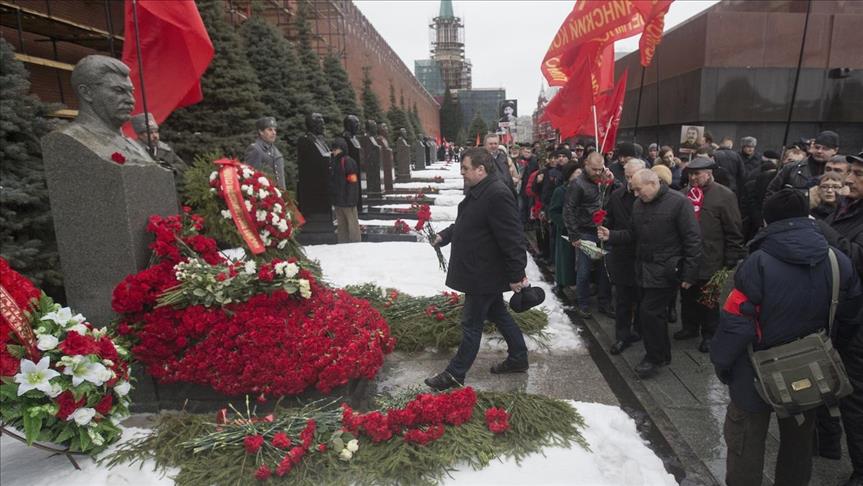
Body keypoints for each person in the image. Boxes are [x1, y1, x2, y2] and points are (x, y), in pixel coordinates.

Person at [710, 189, 862, 486]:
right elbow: (851, 317)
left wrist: (722, 362)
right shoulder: (838, 261)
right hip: (810, 369)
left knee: (745, 442)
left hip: (753, 371)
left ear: (767, 220)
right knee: (799, 444)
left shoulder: (756, 263)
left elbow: (736, 323)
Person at [424, 147, 529, 390]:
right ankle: (518, 357)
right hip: (479, 269)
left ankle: (455, 374)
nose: (462, 172)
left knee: (471, 324)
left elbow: (512, 238)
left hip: (483, 273)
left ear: (481, 169)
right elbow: (467, 223)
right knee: (498, 314)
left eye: (465, 168)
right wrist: (444, 236)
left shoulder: (497, 194)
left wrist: (517, 274)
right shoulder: (481, 190)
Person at [598, 169, 701, 378]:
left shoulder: (679, 203)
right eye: (633, 190)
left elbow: (693, 239)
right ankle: (663, 354)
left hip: (666, 270)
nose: (636, 194)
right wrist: (612, 235)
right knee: (655, 314)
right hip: (642, 269)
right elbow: (632, 234)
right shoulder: (639, 204)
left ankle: (653, 358)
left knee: (649, 313)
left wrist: (690, 274)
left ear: (653, 183)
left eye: (638, 189)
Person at [817, 153, 863, 486]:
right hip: (839, 314)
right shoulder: (846, 207)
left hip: (858, 322)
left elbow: (856, 256)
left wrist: (822, 229)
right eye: (852, 172)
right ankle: (828, 443)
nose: (849, 179)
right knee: (828, 382)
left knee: (855, 400)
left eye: (858, 175)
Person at [677, 157, 745, 353]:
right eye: (690, 174)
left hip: (712, 256)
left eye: (697, 174)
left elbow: (734, 228)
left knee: (708, 299)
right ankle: (690, 327)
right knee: (687, 295)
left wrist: (732, 253)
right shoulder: (684, 194)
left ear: (709, 174)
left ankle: (709, 333)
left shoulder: (724, 195)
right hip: (688, 256)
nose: (693, 177)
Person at [564, 151, 618, 319]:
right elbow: (569, 210)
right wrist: (574, 235)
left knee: (605, 270)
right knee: (584, 270)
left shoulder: (605, 180)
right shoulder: (577, 183)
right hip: (585, 230)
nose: (597, 172)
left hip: (604, 229)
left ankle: (604, 303)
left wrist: (613, 180)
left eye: (600, 169)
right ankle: (583, 304)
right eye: (594, 169)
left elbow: (622, 192)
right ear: (586, 165)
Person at [606, 159, 646, 355]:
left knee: (642, 299)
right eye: (627, 176)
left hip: (644, 257)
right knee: (622, 300)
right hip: (622, 255)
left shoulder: (649, 196)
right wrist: (602, 224)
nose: (630, 181)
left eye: (633, 176)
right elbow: (610, 220)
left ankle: (640, 329)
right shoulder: (616, 195)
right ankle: (622, 336)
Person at [766, 130, 839, 198]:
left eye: (825, 149)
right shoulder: (791, 168)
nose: (819, 151)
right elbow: (771, 192)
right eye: (817, 147)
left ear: (835, 150)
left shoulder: (840, 171)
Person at [130, 113, 188, 193]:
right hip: (143, 191)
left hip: (166, 190)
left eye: (156, 132)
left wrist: (170, 167)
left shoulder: (165, 149)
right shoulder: (132, 150)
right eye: (150, 133)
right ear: (140, 135)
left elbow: (183, 167)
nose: (155, 136)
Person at [547, 162, 579, 295]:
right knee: (565, 259)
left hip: (581, 231)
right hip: (566, 231)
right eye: (576, 173)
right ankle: (562, 283)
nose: (579, 176)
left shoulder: (584, 189)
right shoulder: (560, 191)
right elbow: (553, 212)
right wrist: (567, 223)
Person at [329, 137, 360, 243]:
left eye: (335, 149)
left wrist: (351, 199)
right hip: (339, 200)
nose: (333, 151)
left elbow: (353, 182)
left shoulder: (347, 161)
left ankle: (355, 244)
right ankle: (343, 244)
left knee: (352, 225)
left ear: (341, 149)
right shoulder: (335, 162)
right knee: (341, 226)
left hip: (347, 200)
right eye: (333, 149)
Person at [245, 116, 286, 190]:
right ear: (261, 132)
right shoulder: (255, 149)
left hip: (277, 194)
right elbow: (250, 178)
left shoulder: (276, 151)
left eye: (275, 130)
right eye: (270, 130)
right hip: (263, 194)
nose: (274, 133)